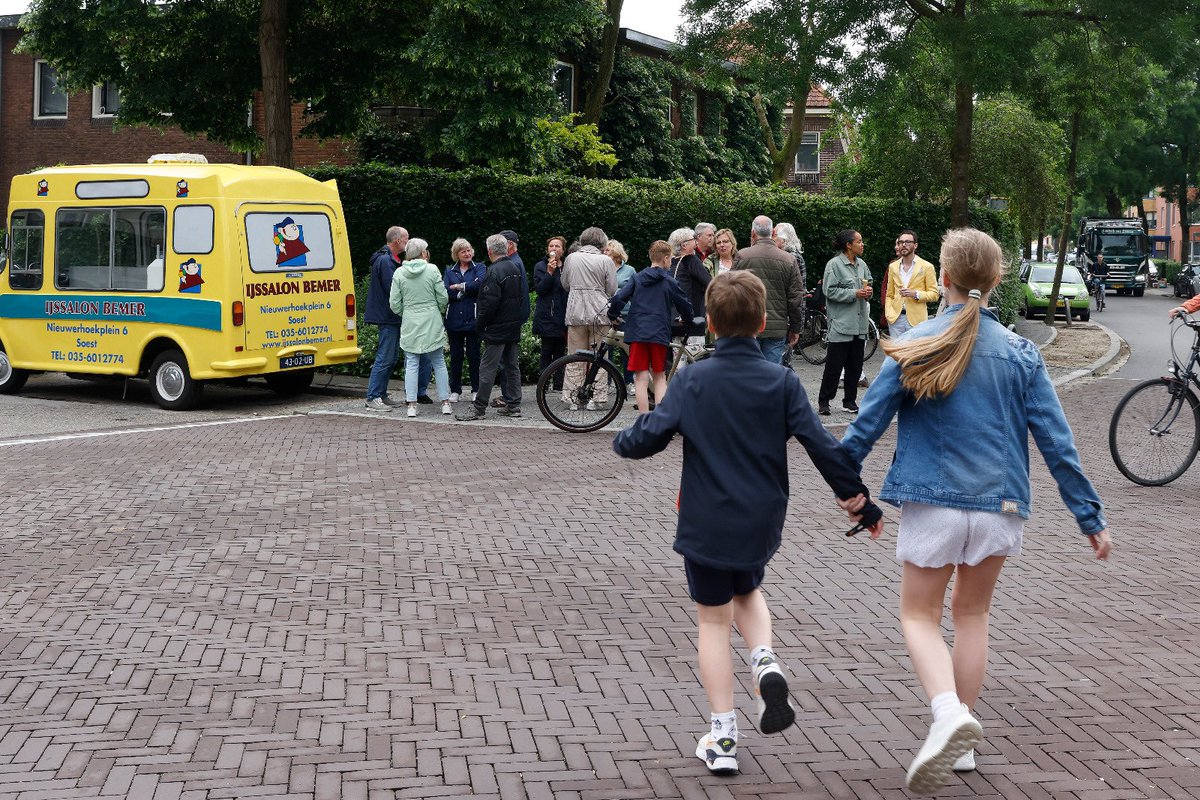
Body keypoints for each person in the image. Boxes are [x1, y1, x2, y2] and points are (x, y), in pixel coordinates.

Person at [840, 227, 1112, 795]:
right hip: (1001, 507)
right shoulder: (1021, 352)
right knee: (971, 617)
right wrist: (1090, 517)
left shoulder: (917, 341)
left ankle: (947, 715)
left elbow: (865, 426)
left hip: (933, 501)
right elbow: (1057, 444)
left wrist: (847, 486)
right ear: (996, 281)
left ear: (942, 279)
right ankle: (959, 741)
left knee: (919, 616)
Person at [613, 270, 883, 776]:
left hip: (706, 519)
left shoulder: (694, 378)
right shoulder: (781, 381)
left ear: (711, 323)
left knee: (713, 621)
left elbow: (651, 435)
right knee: (749, 588)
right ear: (762, 323)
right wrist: (857, 499)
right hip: (761, 519)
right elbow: (822, 445)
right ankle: (764, 659)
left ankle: (723, 736)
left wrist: (625, 439)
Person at [607, 240, 692, 413]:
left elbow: (618, 298)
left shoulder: (637, 278)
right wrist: (688, 319)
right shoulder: (669, 281)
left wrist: (613, 315)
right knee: (660, 376)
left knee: (640, 377)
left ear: (650, 257)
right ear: (666, 258)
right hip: (659, 332)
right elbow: (684, 304)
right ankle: (660, 420)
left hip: (638, 331)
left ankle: (644, 418)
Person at [456, 234, 530, 421]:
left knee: (487, 368)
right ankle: (514, 405)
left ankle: (479, 408)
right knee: (512, 366)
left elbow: (488, 304)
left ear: (489, 251)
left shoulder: (493, 271)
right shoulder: (514, 267)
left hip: (496, 327)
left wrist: (480, 326)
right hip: (512, 325)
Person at [365, 226, 427, 411]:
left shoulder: (389, 259)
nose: (408, 242)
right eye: (406, 238)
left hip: (390, 316)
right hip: (388, 316)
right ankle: (373, 396)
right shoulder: (385, 260)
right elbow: (393, 288)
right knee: (385, 357)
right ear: (398, 241)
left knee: (390, 357)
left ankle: (381, 394)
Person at [389, 238, 453, 417]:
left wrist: (407, 312)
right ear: (423, 252)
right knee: (438, 362)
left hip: (410, 320)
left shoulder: (399, 273)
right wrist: (437, 310)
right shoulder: (432, 269)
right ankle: (446, 402)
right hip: (431, 318)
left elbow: (394, 303)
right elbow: (443, 297)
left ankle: (411, 405)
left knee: (411, 363)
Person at [732, 215, 804, 365]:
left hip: (748, 325)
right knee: (771, 374)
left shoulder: (742, 256)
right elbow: (795, 298)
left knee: (748, 372)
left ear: (753, 233)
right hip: (776, 327)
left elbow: (731, 291)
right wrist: (796, 328)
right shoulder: (788, 259)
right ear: (772, 233)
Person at [561, 226, 618, 407]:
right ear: (602, 242)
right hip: (599, 312)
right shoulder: (605, 261)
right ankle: (596, 398)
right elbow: (612, 289)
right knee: (599, 357)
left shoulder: (571, 258)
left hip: (575, 312)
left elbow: (565, 284)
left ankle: (573, 398)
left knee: (574, 357)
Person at [818, 230, 872, 416]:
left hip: (859, 325)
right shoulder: (834, 265)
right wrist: (853, 294)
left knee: (855, 366)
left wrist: (868, 291)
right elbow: (829, 291)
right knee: (834, 366)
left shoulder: (862, 264)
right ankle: (824, 401)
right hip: (842, 324)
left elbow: (869, 282)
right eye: (859, 241)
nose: (862, 244)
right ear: (849, 245)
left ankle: (849, 401)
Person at [444, 238, 486, 403]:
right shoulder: (449, 271)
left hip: (474, 318)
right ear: (457, 254)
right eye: (463, 251)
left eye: (469, 250)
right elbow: (446, 291)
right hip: (454, 319)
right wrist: (466, 288)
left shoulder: (480, 267)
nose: (467, 253)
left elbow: (481, 285)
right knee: (456, 356)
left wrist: (459, 287)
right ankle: (455, 390)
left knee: (474, 355)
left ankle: (476, 389)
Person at [884, 230, 939, 338]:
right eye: (901, 242)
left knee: (915, 353)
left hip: (917, 320)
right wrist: (888, 313)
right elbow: (889, 294)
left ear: (915, 245)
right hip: (895, 319)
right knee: (896, 353)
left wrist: (915, 294)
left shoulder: (927, 266)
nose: (904, 245)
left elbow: (934, 294)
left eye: (908, 242)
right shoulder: (893, 266)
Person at [532, 236, 569, 388]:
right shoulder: (540, 266)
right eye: (551, 246)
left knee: (561, 351)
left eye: (557, 246)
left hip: (563, 315)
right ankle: (544, 383)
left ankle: (559, 384)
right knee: (546, 350)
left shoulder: (567, 266)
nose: (554, 249)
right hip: (547, 315)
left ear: (563, 250)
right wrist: (549, 272)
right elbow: (540, 289)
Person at [668, 227, 712, 348]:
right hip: (692, 321)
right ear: (683, 245)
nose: (696, 242)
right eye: (693, 239)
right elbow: (710, 283)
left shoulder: (670, 262)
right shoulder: (691, 260)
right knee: (695, 362)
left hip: (672, 321)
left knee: (678, 363)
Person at [606, 239, 638, 386]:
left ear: (617, 253)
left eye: (608, 250)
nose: (604, 253)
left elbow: (636, 293)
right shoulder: (603, 268)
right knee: (607, 348)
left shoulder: (630, 270)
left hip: (626, 313)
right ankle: (607, 381)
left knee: (627, 349)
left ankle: (629, 381)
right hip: (606, 313)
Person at [771, 222, 806, 292]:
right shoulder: (788, 255)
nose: (771, 239)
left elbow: (795, 289)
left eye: (774, 235)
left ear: (784, 238)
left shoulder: (793, 257)